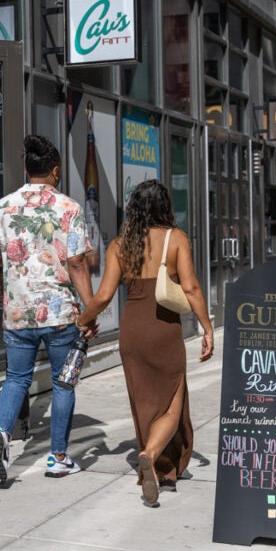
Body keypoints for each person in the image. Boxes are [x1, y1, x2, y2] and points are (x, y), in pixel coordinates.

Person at [77, 180, 213, 507]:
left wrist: (84, 320)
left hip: (133, 332)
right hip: (164, 330)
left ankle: (161, 468)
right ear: (165, 206)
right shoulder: (176, 239)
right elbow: (192, 289)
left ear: (134, 208)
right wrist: (207, 328)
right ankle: (151, 456)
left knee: (145, 404)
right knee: (171, 402)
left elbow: (104, 296)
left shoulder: (119, 246)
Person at [0, 135, 97, 485]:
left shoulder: (1, 207)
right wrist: (90, 310)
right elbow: (77, 262)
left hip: (17, 312)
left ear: (27, 169)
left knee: (16, 378)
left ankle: (1, 435)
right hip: (60, 313)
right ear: (56, 170)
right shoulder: (69, 209)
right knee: (64, 383)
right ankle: (58, 458)